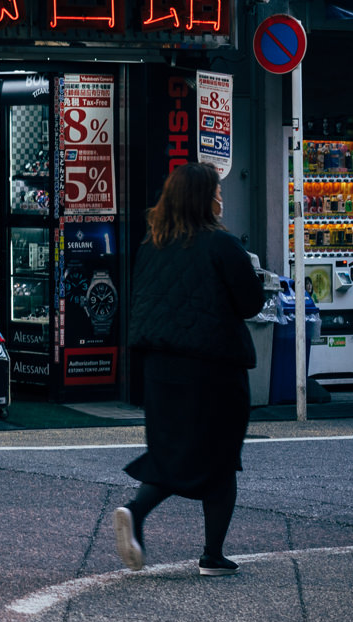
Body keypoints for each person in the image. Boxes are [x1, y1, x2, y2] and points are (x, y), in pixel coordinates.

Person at [113, 160, 265, 577]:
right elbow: (251, 302)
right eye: (216, 190)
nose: (221, 196)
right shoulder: (223, 245)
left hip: (160, 370)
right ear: (202, 198)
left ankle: (135, 510)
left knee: (172, 452)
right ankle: (212, 555)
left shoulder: (152, 244)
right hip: (214, 370)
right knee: (219, 457)